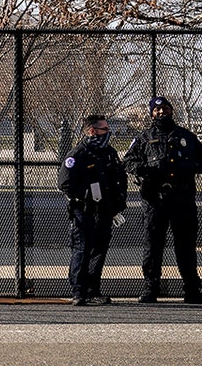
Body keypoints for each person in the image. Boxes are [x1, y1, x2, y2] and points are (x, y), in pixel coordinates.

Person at [122, 96, 202, 304]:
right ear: (151, 114)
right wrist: (143, 170)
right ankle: (150, 288)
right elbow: (128, 161)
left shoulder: (186, 137)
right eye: (156, 110)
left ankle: (192, 290)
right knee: (153, 245)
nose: (161, 112)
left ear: (171, 111)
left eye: (164, 108)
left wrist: (187, 167)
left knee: (186, 246)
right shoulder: (144, 138)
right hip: (155, 201)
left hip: (182, 199)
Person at [58, 114, 128, 305]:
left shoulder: (109, 153)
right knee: (82, 248)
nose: (108, 133)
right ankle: (78, 291)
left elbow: (120, 178)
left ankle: (92, 290)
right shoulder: (77, 155)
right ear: (91, 131)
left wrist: (119, 201)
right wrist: (87, 194)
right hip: (84, 210)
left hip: (105, 211)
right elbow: (65, 183)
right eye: (104, 129)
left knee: (99, 249)